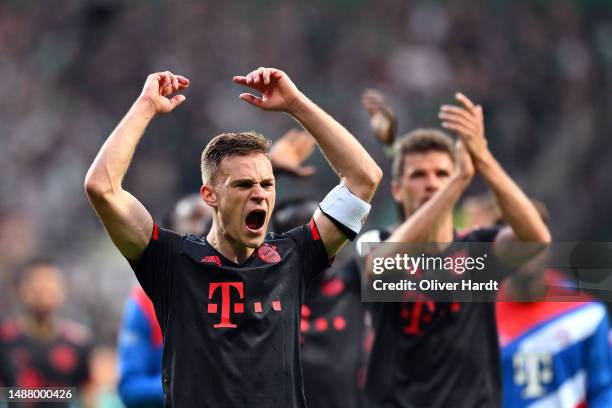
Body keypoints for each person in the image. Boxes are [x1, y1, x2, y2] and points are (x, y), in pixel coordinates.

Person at [84, 68, 382, 407]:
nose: (260, 195)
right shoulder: (172, 262)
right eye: (243, 185)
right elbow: (101, 188)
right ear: (209, 195)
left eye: (267, 185)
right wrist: (145, 106)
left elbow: (364, 178)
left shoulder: (293, 257)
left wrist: (296, 104)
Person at [359, 90, 550, 407]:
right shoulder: (376, 243)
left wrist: (483, 159)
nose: (432, 183)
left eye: (442, 174)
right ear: (396, 189)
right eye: (419, 175)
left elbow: (535, 239)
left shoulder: (478, 251)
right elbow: (378, 268)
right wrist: (458, 179)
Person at [272, 198, 369, 408]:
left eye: (323, 230)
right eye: (302, 234)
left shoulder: (354, 279)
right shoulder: (266, 293)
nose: (314, 242)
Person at [0, 260, 92, 408]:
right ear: (19, 290)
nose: (44, 290)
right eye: (36, 284)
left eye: (50, 283)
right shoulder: (4, 339)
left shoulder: (79, 342)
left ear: (63, 291)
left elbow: (89, 396)